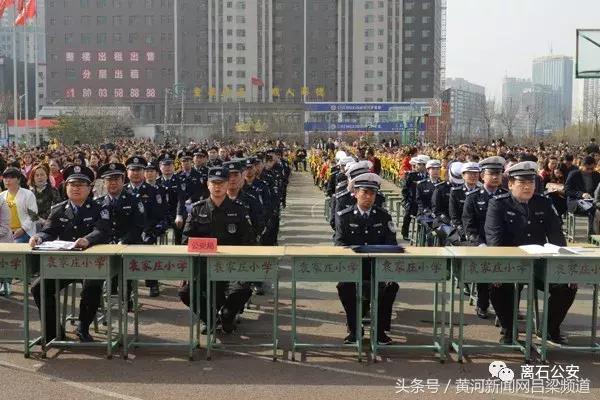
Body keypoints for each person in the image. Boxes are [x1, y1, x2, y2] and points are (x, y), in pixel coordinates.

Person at [485, 161, 577, 345]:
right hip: (510, 264)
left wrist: (566, 265)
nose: (527, 187)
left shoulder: (543, 203)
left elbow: (556, 236)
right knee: (498, 286)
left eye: (531, 183)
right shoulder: (499, 205)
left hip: (540, 265)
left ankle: (549, 330)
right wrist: (499, 265)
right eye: (522, 183)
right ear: (510, 184)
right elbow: (494, 239)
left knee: (567, 286)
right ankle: (509, 330)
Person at [29, 165, 111, 342]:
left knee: (93, 285)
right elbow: (49, 231)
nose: (76, 188)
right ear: (65, 187)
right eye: (72, 184)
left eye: (81, 184)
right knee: (38, 287)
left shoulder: (99, 208)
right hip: (64, 264)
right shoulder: (58, 209)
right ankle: (53, 332)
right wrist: (39, 237)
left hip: (91, 264)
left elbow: (102, 231)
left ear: (90, 188)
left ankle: (83, 327)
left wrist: (87, 240)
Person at [179, 166, 255, 333]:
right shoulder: (198, 210)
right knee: (186, 292)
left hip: (231, 266)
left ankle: (227, 316)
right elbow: (186, 240)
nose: (218, 187)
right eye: (214, 183)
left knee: (244, 289)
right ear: (208, 185)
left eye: (221, 183)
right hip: (204, 266)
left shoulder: (239, 210)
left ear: (228, 184)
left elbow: (249, 241)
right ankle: (210, 318)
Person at [334, 172, 399, 345]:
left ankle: (379, 331)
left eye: (373, 193)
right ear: (355, 193)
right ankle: (355, 329)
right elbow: (340, 243)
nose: (369, 197)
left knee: (390, 286)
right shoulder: (344, 216)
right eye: (365, 192)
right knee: (344, 287)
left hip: (377, 266)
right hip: (354, 267)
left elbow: (392, 243)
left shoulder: (383, 216)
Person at [462, 156, 507, 319]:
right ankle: (483, 304)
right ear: (483, 176)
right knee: (485, 266)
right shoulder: (473, 197)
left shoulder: (507, 197)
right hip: (481, 242)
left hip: (503, 244)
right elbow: (469, 225)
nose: (495, 177)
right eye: (491, 174)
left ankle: (507, 306)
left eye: (498, 174)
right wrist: (479, 243)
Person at [126, 156, 167, 297]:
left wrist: (152, 231)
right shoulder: (123, 191)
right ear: (127, 172)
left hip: (146, 231)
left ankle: (152, 283)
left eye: (139, 170)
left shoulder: (152, 191)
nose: (136, 173)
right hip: (127, 233)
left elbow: (159, 215)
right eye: (133, 170)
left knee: (148, 250)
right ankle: (127, 292)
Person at [564, 155, 600, 238]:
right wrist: (581, 194)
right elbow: (567, 190)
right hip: (575, 201)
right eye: (587, 168)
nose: (590, 171)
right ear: (582, 166)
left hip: (592, 200)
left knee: (594, 207)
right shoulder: (574, 174)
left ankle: (595, 233)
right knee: (592, 208)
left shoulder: (596, 175)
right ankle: (592, 234)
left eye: (592, 169)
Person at [1, 167, 38, 244]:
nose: (7, 180)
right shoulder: (2, 195)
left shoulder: (28, 194)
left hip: (24, 232)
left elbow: (33, 216)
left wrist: (23, 229)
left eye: (11, 177)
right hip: (5, 233)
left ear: (18, 179)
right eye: (5, 177)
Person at [28, 164, 61, 231]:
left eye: (42, 175)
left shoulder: (53, 190)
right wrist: (40, 220)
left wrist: (47, 222)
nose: (40, 177)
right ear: (33, 178)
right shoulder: (29, 193)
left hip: (50, 224)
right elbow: (28, 211)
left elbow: (57, 208)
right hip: (33, 224)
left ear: (47, 176)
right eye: (37, 175)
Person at [0, 195, 12, 295]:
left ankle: (6, 284)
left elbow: (4, 229)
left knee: (4, 265)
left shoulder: (2, 203)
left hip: (3, 240)